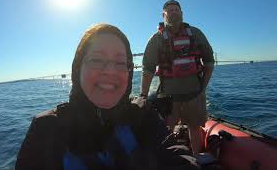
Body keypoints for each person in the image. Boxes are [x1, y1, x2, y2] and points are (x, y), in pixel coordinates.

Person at [15, 23, 200, 169]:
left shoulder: (143, 115)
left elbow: (177, 156)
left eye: (121, 62)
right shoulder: (46, 129)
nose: (111, 71)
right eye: (97, 59)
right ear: (77, 68)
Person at [140, 0, 215, 156]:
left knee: (195, 128)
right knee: (166, 131)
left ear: (182, 13)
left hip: (194, 94)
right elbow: (147, 69)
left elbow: (209, 61)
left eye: (176, 10)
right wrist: (143, 96)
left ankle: (195, 159)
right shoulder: (157, 38)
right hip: (169, 97)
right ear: (164, 15)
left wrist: (203, 87)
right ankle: (168, 161)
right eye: (170, 10)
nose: (173, 12)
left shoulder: (196, 33)